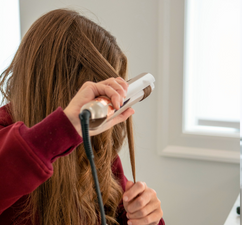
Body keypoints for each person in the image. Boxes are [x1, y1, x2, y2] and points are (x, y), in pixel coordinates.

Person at [0, 9, 164, 225]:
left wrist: (145, 216)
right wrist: (66, 127)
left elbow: (116, 209)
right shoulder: (7, 137)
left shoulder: (94, 144)